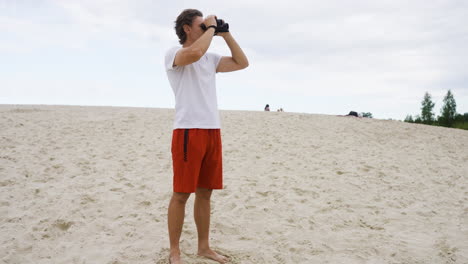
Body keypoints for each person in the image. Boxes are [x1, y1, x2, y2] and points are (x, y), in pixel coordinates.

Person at [164, 9, 249, 264]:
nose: (206, 28)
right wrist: (211, 30)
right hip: (188, 130)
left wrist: (226, 33)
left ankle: (203, 247)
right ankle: (175, 251)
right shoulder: (175, 54)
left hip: (212, 130)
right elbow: (194, 53)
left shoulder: (210, 58)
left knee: (205, 193)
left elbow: (242, 62)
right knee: (181, 194)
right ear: (187, 28)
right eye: (201, 25)